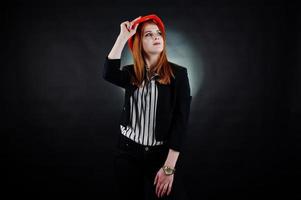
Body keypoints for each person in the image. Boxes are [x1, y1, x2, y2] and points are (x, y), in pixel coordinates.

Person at [103, 14, 192, 200]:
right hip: (127, 152)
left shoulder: (179, 75)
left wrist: (169, 168)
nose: (156, 37)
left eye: (158, 33)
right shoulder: (130, 73)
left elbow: (180, 122)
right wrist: (122, 37)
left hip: (160, 156)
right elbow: (108, 73)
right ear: (138, 43)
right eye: (148, 35)